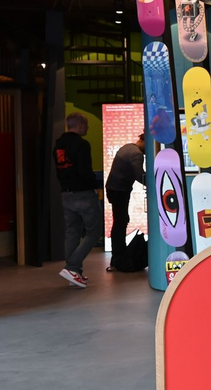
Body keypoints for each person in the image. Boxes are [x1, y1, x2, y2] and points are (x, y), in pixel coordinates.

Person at [53, 113, 102, 289]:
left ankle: (74, 274)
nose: (87, 128)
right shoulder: (82, 144)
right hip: (83, 194)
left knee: (72, 231)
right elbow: (84, 171)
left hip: (66, 194)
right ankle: (72, 267)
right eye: (86, 125)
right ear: (80, 125)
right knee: (93, 232)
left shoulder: (58, 145)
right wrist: (94, 186)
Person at [105, 133, 146, 272]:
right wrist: (155, 183)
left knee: (120, 221)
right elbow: (139, 175)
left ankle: (117, 257)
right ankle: (118, 258)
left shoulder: (127, 147)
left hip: (113, 188)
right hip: (120, 190)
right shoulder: (136, 154)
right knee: (120, 223)